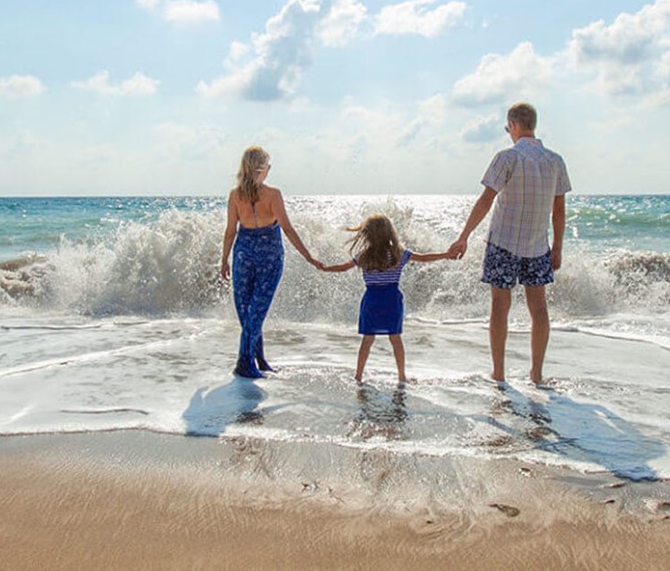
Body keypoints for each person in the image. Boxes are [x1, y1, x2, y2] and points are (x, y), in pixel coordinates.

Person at [446, 102, 571, 386]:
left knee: (500, 307)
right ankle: (536, 374)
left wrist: (463, 235)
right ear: (533, 125)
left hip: (503, 243)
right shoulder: (555, 160)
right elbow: (559, 212)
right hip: (538, 246)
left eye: (507, 128)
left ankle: (499, 373)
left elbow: (486, 200)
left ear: (513, 125)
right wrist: (558, 247)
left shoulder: (507, 158)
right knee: (538, 309)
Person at [220, 146, 320, 379]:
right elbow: (287, 228)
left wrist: (224, 259)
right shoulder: (273, 194)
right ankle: (244, 362)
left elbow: (230, 232)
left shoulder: (236, 195)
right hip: (269, 256)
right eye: (268, 166)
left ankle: (259, 359)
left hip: (243, 253)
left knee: (250, 311)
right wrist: (308, 256)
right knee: (255, 311)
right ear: (262, 169)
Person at [318, 214, 454, 384]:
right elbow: (424, 257)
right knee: (395, 338)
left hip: (372, 300)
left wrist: (325, 268)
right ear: (390, 233)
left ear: (367, 235)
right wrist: (446, 254)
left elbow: (343, 268)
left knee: (367, 339)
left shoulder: (364, 256)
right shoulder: (399, 254)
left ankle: (358, 376)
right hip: (391, 301)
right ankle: (401, 376)